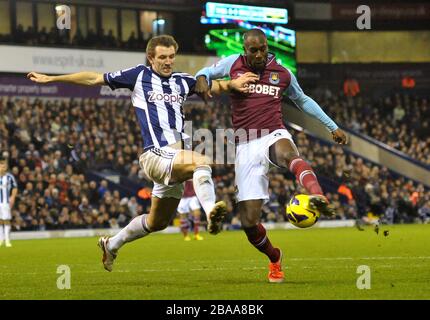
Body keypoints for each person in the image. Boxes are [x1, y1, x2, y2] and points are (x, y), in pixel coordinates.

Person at [27, 35, 257, 272]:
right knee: (202, 161)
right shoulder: (139, 75)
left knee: (157, 222)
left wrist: (232, 84)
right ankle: (211, 213)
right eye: (162, 57)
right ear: (151, 58)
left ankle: (111, 245)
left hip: (175, 160)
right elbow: (94, 78)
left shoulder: (182, 81)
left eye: (171, 57)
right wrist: (52, 78)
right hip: (155, 155)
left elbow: (213, 86)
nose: (168, 62)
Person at [195, 29, 347, 283]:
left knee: (289, 154)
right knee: (249, 222)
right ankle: (275, 258)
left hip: (273, 132)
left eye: (262, 49)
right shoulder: (233, 62)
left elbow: (303, 100)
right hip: (245, 146)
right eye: (253, 50)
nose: (258, 54)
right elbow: (208, 73)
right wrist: (201, 77)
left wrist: (332, 126)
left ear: (267, 47)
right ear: (245, 50)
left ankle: (317, 194)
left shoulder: (283, 73)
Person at [0, 156, 18, 247]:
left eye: (4, 166)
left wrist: (13, 197)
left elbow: (14, 187)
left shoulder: (9, 177)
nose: (3, 167)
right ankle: (1, 239)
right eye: (1, 165)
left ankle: (7, 240)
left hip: (5, 202)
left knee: (6, 219)